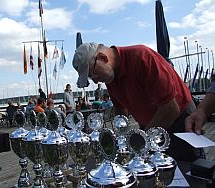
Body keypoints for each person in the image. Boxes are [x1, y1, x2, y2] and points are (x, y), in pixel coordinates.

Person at [72, 42, 201, 162]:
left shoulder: (141, 57)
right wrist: (121, 139)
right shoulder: (110, 77)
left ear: (103, 58)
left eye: (93, 74)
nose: (96, 81)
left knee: (189, 172)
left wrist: (139, 140)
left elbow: (171, 108)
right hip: (149, 126)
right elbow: (120, 109)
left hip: (180, 123)